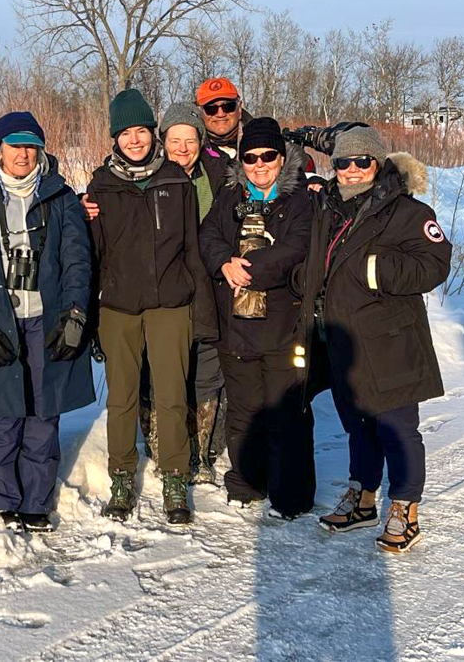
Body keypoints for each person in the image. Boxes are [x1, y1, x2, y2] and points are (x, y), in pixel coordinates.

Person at [296, 124, 451, 553]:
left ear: (377, 163)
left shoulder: (408, 212)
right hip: (342, 339)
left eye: (361, 161)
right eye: (342, 162)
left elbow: (435, 264)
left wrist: (374, 270)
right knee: (359, 424)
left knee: (398, 427)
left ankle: (404, 506)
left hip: (389, 339)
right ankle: (363, 498)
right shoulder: (328, 207)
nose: (350, 170)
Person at [0, 112, 94, 533]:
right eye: (15, 145)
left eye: (31, 146)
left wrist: (74, 312)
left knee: (43, 410)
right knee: (2, 413)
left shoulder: (61, 197)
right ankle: (1, 496)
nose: (24, 153)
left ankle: (36, 499)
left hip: (45, 317)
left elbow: (77, 260)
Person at [85, 89, 216, 525]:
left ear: (151, 134)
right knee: (121, 398)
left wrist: (200, 311)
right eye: (126, 133)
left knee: (171, 395)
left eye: (141, 130)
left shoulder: (176, 181)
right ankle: (121, 478)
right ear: (115, 138)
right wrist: (89, 319)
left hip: (170, 306)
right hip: (119, 307)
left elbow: (192, 250)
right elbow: (94, 255)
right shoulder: (100, 186)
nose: (135, 140)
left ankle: (176, 477)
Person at [199, 118, 315, 519]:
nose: (259, 164)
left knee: (287, 413)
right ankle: (247, 481)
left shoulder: (299, 198)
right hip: (236, 325)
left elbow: (297, 247)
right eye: (250, 157)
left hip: (283, 323)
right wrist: (222, 263)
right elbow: (208, 235)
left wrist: (246, 268)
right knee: (244, 410)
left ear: (281, 158)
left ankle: (291, 494)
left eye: (268, 156)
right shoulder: (229, 194)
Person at [142, 103, 229, 484]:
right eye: (174, 139)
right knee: (162, 369)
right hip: (162, 289)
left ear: (200, 141)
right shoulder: (146, 177)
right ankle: (166, 449)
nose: (182, 147)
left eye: (189, 139)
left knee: (207, 366)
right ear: (163, 142)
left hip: (209, 287)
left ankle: (203, 451)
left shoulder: (219, 176)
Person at [195, 77, 252, 161]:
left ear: (239, 108)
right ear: (200, 112)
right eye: (211, 108)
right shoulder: (190, 150)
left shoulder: (262, 144)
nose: (220, 114)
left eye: (228, 106)